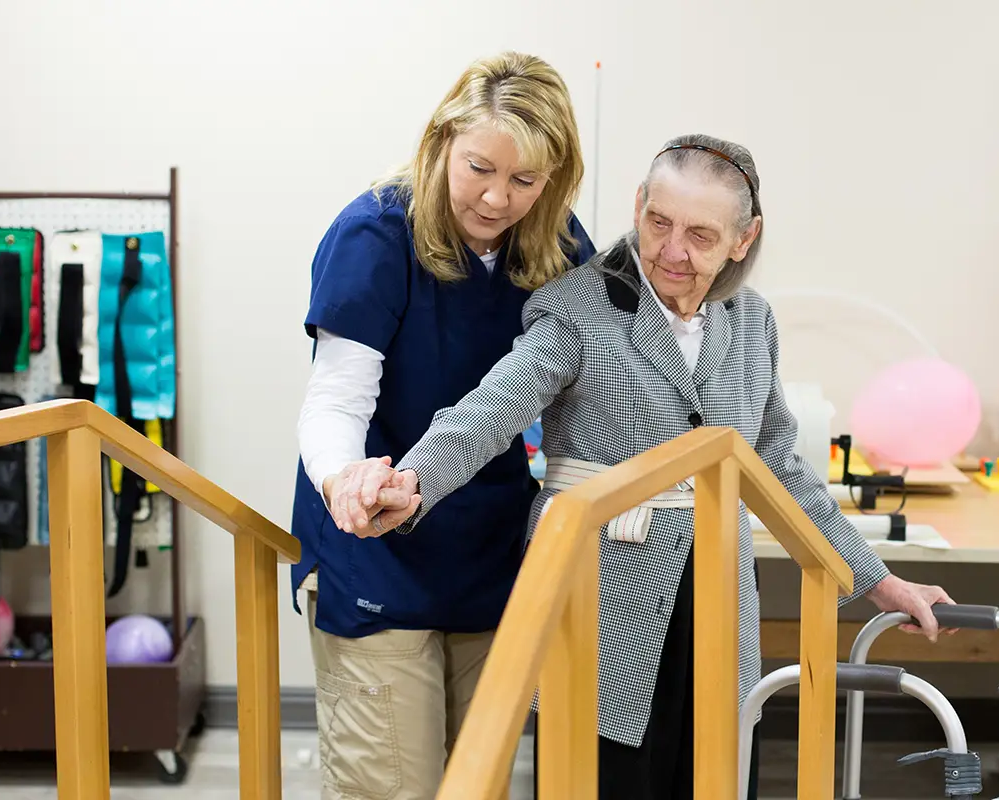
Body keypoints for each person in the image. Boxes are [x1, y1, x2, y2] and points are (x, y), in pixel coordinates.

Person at [330, 134, 955, 799]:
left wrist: (876, 580)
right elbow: (490, 409)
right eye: (658, 223)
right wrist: (414, 481)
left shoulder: (749, 322)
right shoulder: (578, 309)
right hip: (602, 595)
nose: (672, 251)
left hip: (716, 589)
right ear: (638, 206)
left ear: (744, 239)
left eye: (700, 235)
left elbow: (776, 460)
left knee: (712, 770)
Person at [291, 51, 596, 799]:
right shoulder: (376, 232)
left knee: (476, 782)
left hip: (489, 547)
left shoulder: (560, 244)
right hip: (374, 538)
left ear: (554, 178)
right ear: (441, 143)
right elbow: (337, 400)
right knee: (394, 786)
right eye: (479, 168)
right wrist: (344, 478)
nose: (497, 198)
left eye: (525, 180)